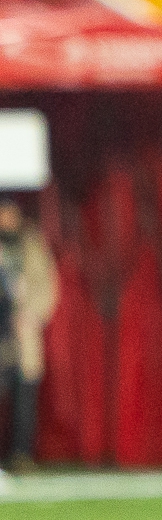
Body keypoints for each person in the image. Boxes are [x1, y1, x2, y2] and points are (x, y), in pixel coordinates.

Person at [0, 197, 55, 472]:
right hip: (1, 330)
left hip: (23, 334)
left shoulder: (32, 245)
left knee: (24, 397)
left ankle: (21, 455)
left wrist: (33, 314)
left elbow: (47, 286)